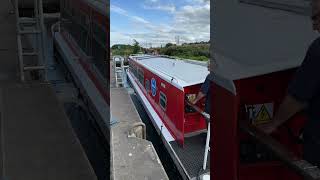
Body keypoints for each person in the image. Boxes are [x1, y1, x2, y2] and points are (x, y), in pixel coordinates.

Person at [260, 0, 320, 167]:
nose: (314, 26)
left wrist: (272, 124)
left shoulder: (318, 48)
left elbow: (298, 98)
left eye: (315, 18)